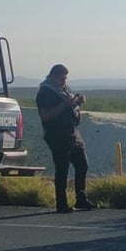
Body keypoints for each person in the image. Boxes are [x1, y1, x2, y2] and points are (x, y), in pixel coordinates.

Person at [36, 64, 95, 213]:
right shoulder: (45, 92)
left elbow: (71, 104)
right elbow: (45, 116)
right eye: (62, 78)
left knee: (82, 164)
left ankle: (81, 199)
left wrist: (78, 101)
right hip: (57, 134)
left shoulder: (64, 89)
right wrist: (65, 104)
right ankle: (61, 203)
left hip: (72, 131)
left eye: (66, 78)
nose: (64, 81)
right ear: (53, 76)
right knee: (62, 168)